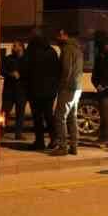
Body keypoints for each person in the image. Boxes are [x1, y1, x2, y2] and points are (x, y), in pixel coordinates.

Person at [23, 32, 60, 152]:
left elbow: (26, 70)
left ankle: (39, 141)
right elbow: (57, 71)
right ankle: (54, 139)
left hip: (35, 90)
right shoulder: (52, 52)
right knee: (49, 115)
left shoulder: (31, 52)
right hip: (50, 91)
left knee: (37, 117)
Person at [50, 27, 84, 156]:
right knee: (72, 117)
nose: (56, 38)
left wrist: (61, 84)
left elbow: (66, 69)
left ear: (63, 34)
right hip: (77, 87)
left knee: (59, 117)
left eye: (58, 36)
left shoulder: (68, 49)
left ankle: (63, 146)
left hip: (68, 87)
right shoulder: (78, 48)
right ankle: (74, 146)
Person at [0, 41, 26, 139]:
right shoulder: (8, 58)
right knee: (4, 113)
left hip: (21, 91)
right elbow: (1, 71)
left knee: (20, 114)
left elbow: (30, 73)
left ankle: (18, 134)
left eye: (15, 46)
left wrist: (21, 75)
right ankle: (1, 132)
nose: (13, 47)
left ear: (21, 47)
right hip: (9, 91)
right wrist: (10, 74)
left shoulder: (26, 60)